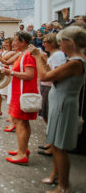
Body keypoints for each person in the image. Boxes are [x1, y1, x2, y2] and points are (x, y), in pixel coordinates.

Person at [30, 26, 86, 192]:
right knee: (55, 144)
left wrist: (39, 58)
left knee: (60, 147)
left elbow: (45, 77)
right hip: (59, 104)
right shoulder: (71, 60)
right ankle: (55, 175)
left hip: (64, 106)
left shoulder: (76, 62)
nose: (60, 45)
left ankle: (63, 186)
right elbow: (53, 75)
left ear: (70, 42)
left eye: (62, 42)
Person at [1, 31, 38, 165]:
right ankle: (23, 149)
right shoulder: (23, 54)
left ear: (23, 42)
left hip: (24, 93)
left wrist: (10, 72)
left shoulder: (28, 55)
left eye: (16, 41)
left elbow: (29, 75)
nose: (13, 43)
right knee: (21, 121)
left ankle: (22, 154)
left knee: (21, 122)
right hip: (20, 92)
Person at [35, 33, 66, 157]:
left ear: (52, 43)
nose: (43, 44)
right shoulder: (53, 55)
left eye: (45, 42)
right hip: (45, 85)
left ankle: (53, 145)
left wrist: (40, 59)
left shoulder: (58, 55)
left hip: (49, 86)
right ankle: (50, 142)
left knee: (49, 115)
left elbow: (52, 73)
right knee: (46, 115)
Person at [0, 38, 16, 119]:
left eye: (7, 43)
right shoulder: (3, 52)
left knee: (7, 94)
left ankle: (11, 113)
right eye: (4, 43)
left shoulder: (13, 52)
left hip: (8, 73)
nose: (5, 44)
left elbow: (4, 60)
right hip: (1, 72)